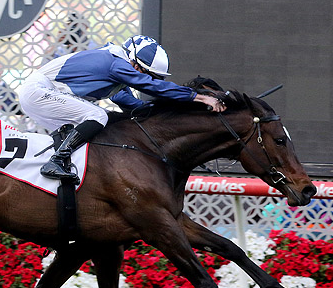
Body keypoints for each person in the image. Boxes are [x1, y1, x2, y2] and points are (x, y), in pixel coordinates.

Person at [18, 35, 225, 181]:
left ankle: (65, 171)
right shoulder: (114, 64)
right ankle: (55, 161)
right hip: (38, 91)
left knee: (107, 120)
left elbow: (131, 105)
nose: (149, 78)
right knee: (97, 115)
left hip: (42, 93)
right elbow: (153, 87)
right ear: (136, 64)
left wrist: (165, 114)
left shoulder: (114, 68)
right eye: (148, 74)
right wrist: (197, 98)